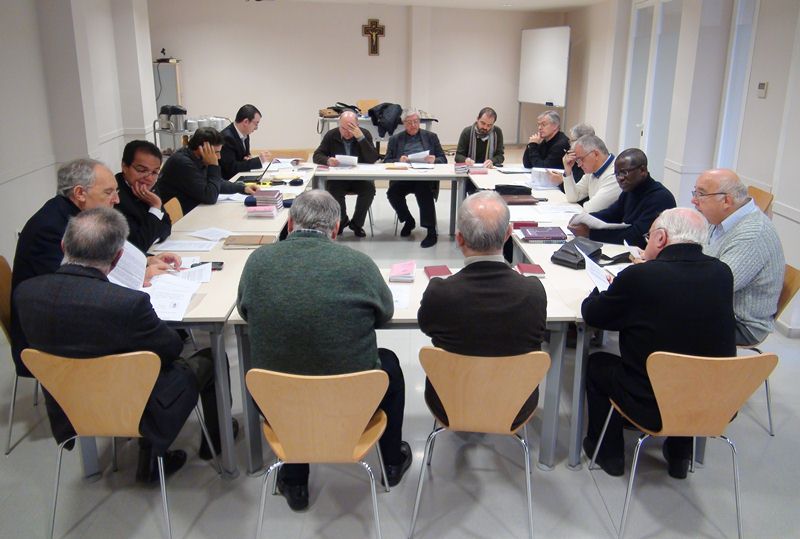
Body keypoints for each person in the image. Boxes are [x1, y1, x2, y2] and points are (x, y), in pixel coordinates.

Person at [13, 208, 222, 482]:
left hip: (70, 404)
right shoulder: (128, 303)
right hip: (134, 403)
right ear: (118, 257)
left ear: (63, 246)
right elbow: (171, 348)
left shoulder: (26, 294)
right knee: (211, 358)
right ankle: (214, 442)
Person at [237, 190, 412, 511]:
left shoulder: (258, 262)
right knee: (389, 364)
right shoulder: (358, 264)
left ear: (290, 224)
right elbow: (385, 313)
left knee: (290, 362)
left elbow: (245, 312)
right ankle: (391, 461)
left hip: (277, 401)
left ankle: (295, 482)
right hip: (349, 402)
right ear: (336, 229)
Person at [581, 208, 736, 479]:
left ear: (661, 238)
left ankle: (609, 454)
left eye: (648, 237)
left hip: (650, 402)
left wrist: (606, 288)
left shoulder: (640, 277)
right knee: (690, 355)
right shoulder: (722, 273)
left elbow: (594, 315)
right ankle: (679, 455)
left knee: (597, 362)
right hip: (712, 400)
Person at [10, 158, 180, 379]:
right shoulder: (51, 228)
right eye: (108, 192)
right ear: (80, 193)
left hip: (73, 319)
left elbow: (108, 252)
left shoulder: (77, 214)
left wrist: (147, 260)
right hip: (59, 340)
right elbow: (72, 287)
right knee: (153, 340)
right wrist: (138, 276)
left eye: (116, 191)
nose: (116, 199)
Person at [418, 191, 547, 428]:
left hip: (450, 403)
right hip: (515, 406)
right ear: (508, 234)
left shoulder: (440, 293)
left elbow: (426, 326)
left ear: (459, 239)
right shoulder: (533, 292)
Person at [692, 169, 785, 346]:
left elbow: (712, 288)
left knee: (659, 318)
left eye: (701, 194)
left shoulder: (752, 235)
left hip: (741, 324)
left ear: (726, 201)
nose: (694, 200)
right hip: (717, 308)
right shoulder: (721, 218)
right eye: (695, 193)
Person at [568, 148, 676, 248]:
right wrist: (583, 219)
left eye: (624, 172)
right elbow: (612, 214)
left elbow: (637, 236)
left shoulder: (661, 198)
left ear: (642, 170)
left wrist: (590, 233)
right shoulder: (630, 190)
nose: (620, 178)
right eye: (617, 174)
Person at [385, 108, 448, 248]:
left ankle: (431, 230)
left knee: (423, 189)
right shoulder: (395, 139)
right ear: (403, 123)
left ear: (419, 121)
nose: (413, 125)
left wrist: (434, 159)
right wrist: (398, 160)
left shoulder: (431, 137)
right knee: (392, 193)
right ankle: (408, 220)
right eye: (409, 122)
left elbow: (443, 159)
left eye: (415, 121)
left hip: (424, 177)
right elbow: (386, 161)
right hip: (404, 177)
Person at [158, 127, 257, 215]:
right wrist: (213, 165)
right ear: (202, 149)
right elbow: (210, 197)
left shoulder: (196, 158)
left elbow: (216, 182)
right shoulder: (183, 163)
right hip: (179, 219)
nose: (219, 157)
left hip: (192, 211)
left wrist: (242, 188)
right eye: (216, 152)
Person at [312, 110, 379, 237]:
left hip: (360, 178)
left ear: (357, 126)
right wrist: (327, 160)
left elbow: (372, 158)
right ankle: (342, 221)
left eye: (351, 128)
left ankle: (357, 224)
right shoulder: (331, 135)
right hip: (339, 178)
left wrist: (361, 139)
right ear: (339, 125)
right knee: (333, 189)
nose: (347, 132)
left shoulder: (364, 134)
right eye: (343, 128)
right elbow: (317, 155)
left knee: (369, 190)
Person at [115, 140, 172, 252]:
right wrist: (155, 207)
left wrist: (151, 236)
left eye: (155, 172)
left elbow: (167, 226)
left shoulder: (148, 187)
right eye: (142, 170)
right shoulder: (114, 196)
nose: (149, 178)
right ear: (124, 166)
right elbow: (138, 245)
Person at [553, 135, 620, 212]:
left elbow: (592, 208)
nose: (579, 165)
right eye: (577, 160)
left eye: (581, 159)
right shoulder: (592, 170)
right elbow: (573, 197)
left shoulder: (616, 174)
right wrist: (568, 170)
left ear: (595, 154)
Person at [219, 104, 272, 180]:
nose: (256, 128)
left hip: (241, 178)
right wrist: (258, 161)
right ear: (246, 122)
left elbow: (244, 159)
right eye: (256, 124)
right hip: (229, 182)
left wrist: (248, 160)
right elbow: (231, 169)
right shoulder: (227, 137)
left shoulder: (245, 134)